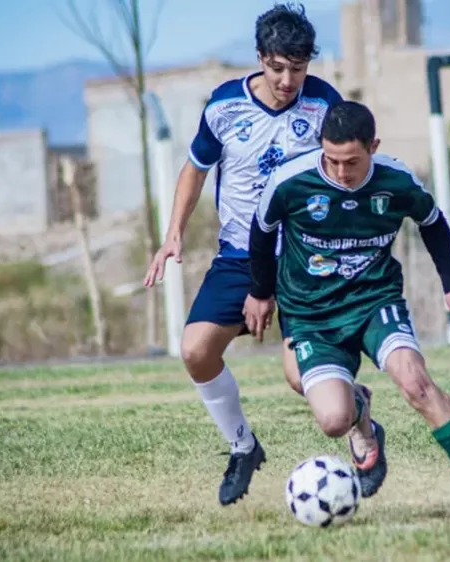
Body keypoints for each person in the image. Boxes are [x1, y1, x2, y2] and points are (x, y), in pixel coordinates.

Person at [242, 101, 450, 520]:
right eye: (331, 160)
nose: (340, 171)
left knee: (416, 385)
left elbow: (434, 223)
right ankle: (359, 413)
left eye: (351, 161)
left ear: (374, 146)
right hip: (311, 314)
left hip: (375, 300)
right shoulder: (290, 183)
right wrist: (261, 293)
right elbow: (261, 235)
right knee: (334, 419)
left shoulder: (396, 180)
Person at [142, 2, 346, 507]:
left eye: (297, 69)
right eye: (278, 68)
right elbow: (194, 169)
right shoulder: (224, 106)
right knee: (195, 350)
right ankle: (243, 446)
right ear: (260, 59)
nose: (287, 80)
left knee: (302, 379)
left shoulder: (323, 104)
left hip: (302, 257)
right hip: (238, 255)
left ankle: (360, 423)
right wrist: (173, 234)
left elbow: (347, 169)